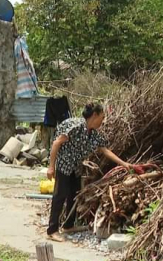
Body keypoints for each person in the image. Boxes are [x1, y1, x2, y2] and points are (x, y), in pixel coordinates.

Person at [46, 103, 132, 242]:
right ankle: (52, 230)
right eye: (102, 117)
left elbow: (105, 150)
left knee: (74, 194)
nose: (102, 121)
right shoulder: (75, 127)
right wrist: (51, 167)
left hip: (76, 166)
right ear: (95, 115)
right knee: (60, 195)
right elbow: (56, 143)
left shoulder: (94, 134)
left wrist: (124, 164)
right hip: (64, 164)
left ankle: (68, 226)